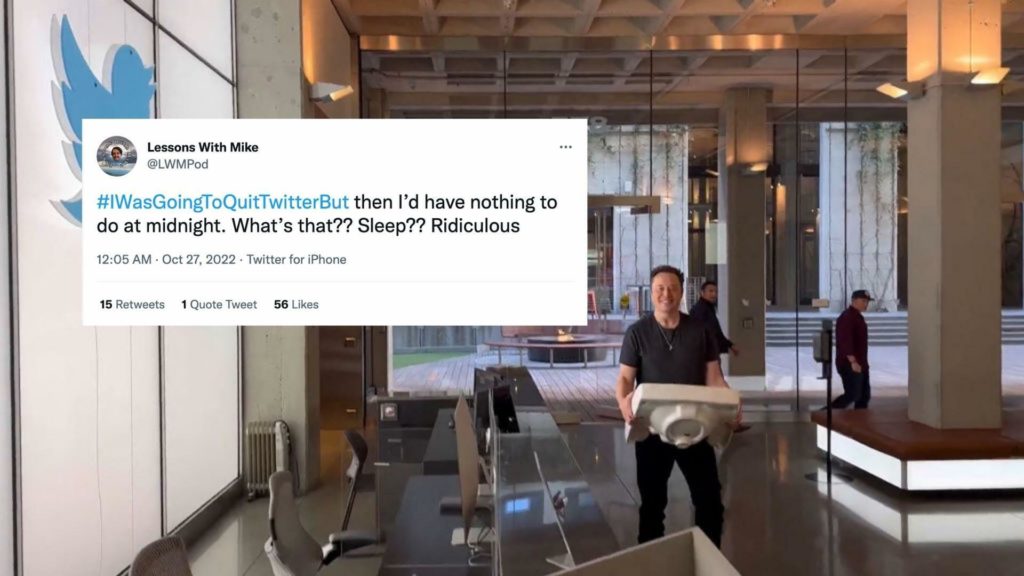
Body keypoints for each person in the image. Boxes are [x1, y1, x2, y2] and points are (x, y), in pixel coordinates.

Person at [615, 265, 741, 548]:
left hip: (695, 427)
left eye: (672, 288)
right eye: (660, 288)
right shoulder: (637, 333)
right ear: (651, 293)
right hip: (651, 430)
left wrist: (731, 405)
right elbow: (624, 378)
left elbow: (714, 379)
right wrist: (623, 401)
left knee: (710, 502)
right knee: (652, 505)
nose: (666, 294)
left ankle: (708, 560)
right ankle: (651, 563)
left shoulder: (701, 331)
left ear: (682, 292)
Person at [830, 289, 873, 409]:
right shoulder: (847, 317)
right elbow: (845, 341)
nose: (866, 304)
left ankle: (860, 418)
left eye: (867, 301)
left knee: (864, 396)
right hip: (849, 364)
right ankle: (825, 414)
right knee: (853, 394)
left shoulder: (858, 317)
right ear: (854, 300)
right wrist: (853, 361)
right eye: (863, 301)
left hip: (861, 363)